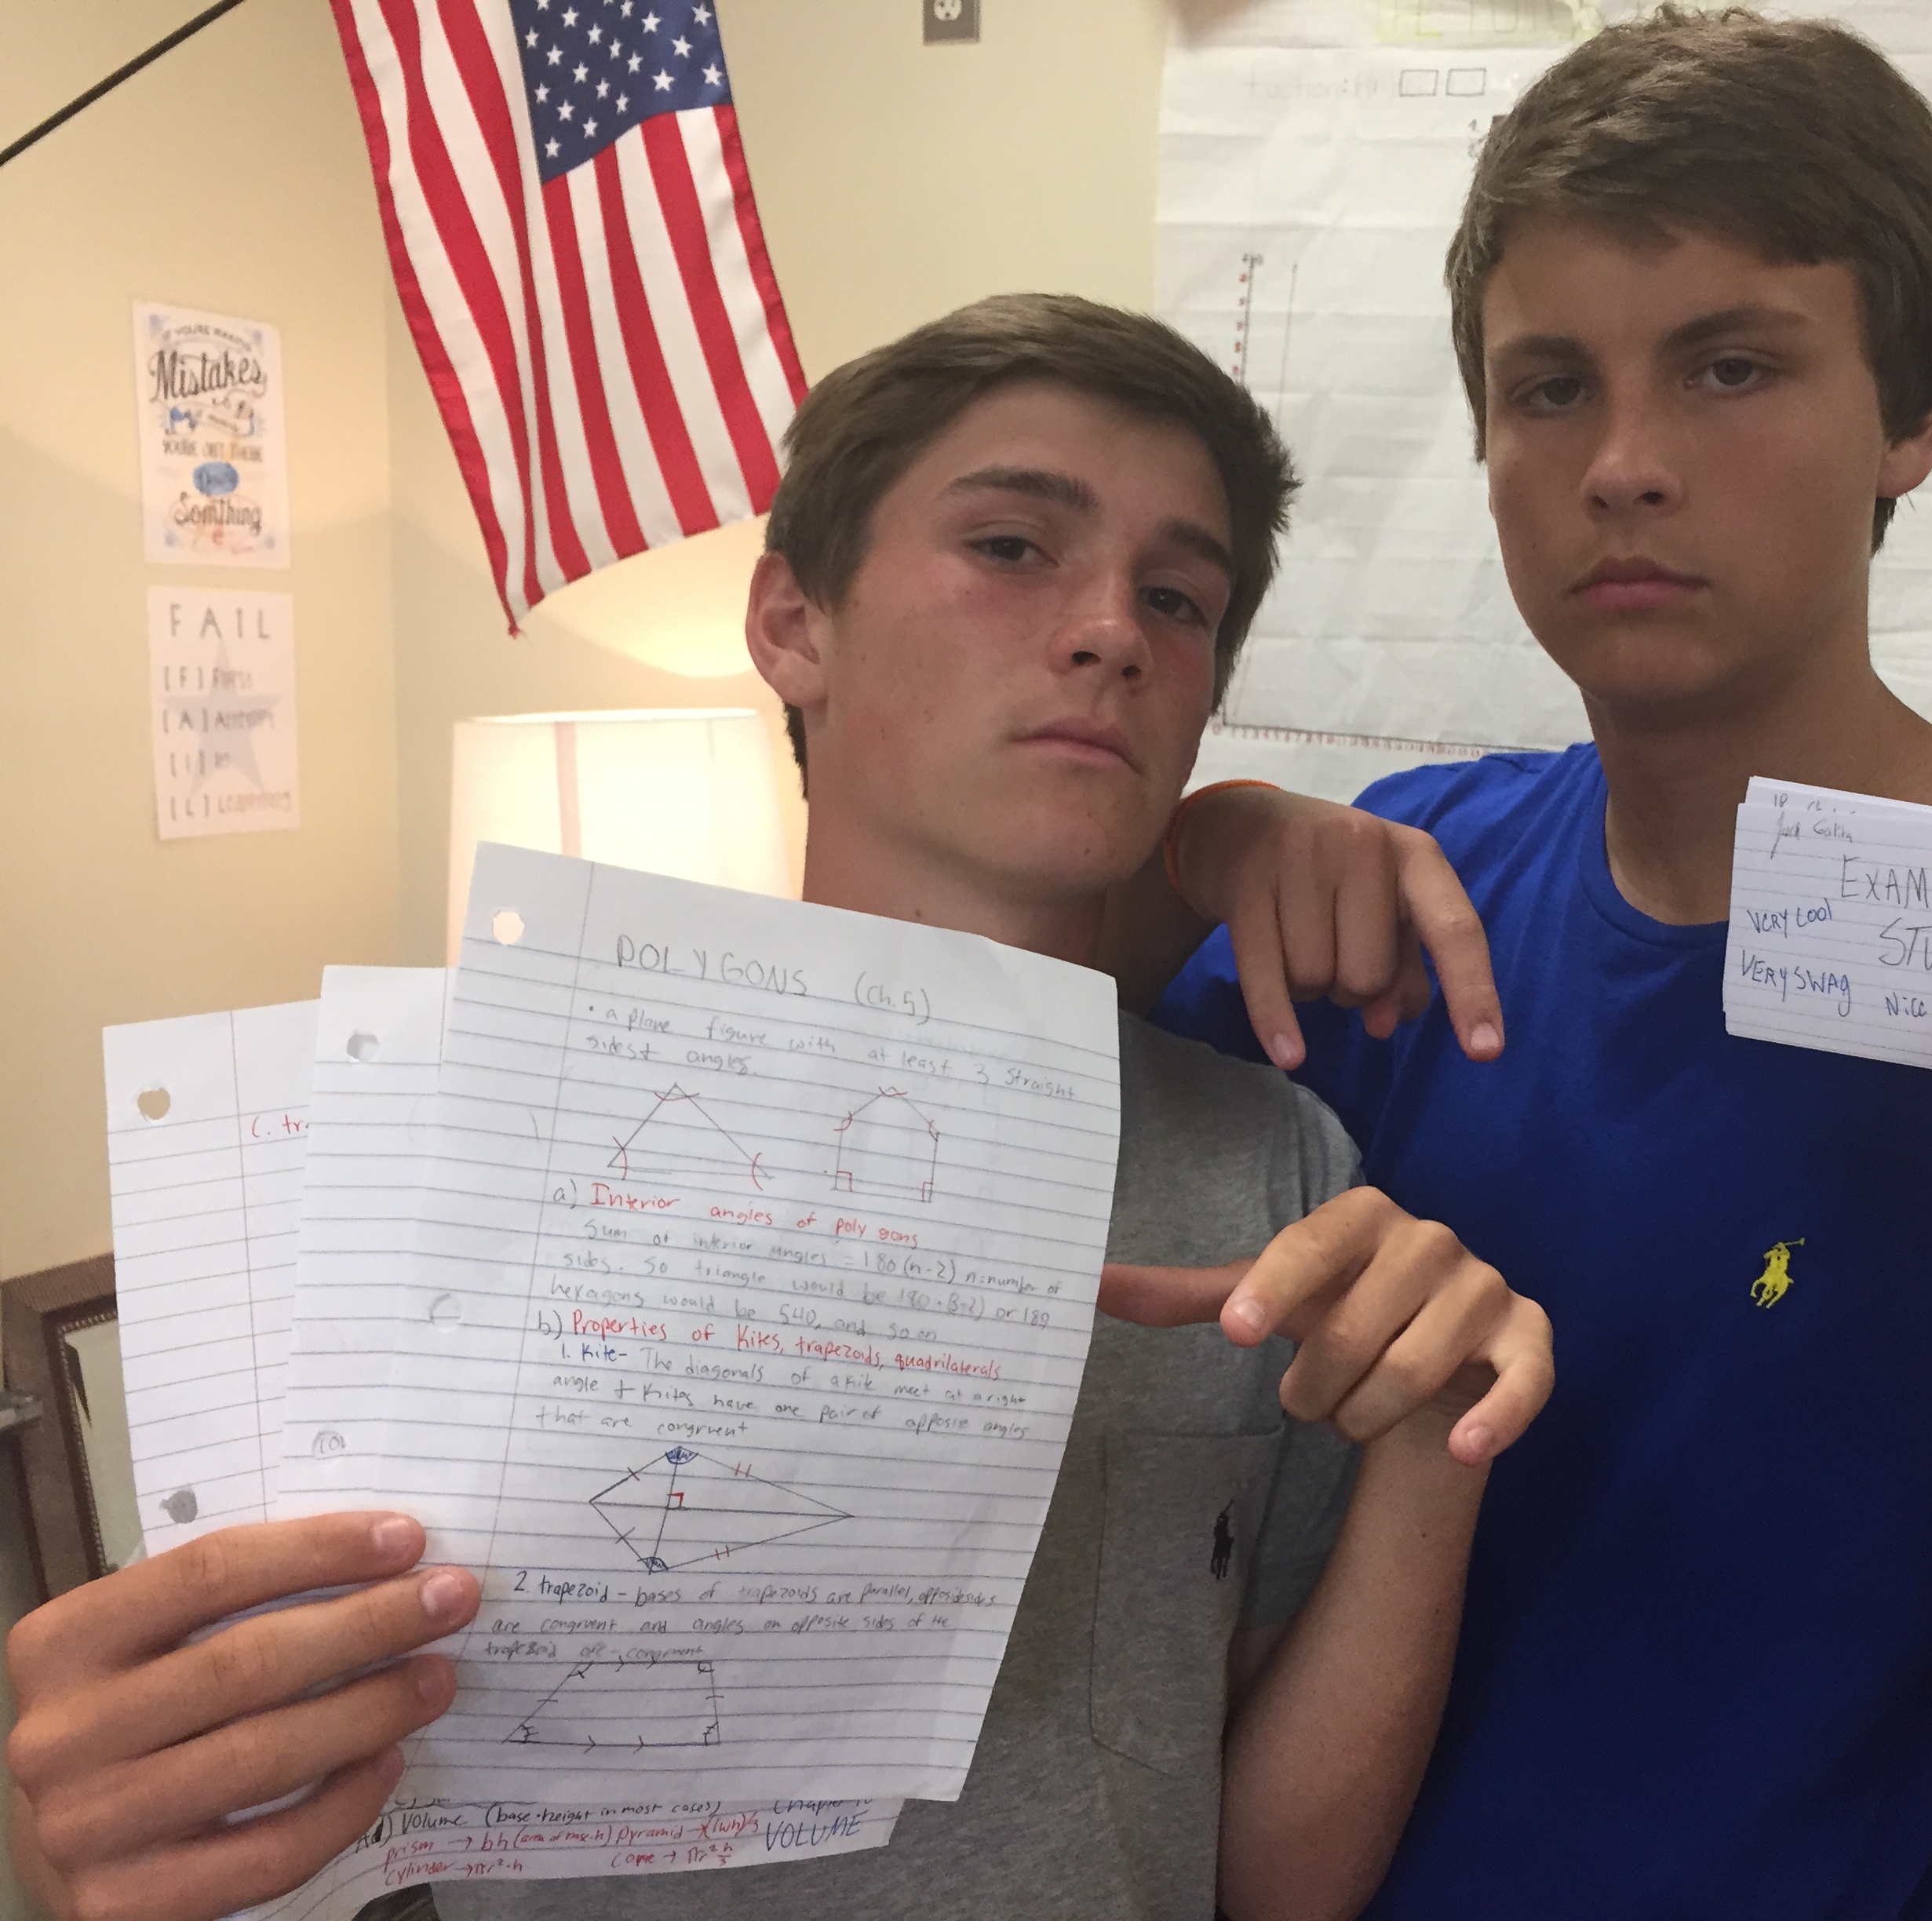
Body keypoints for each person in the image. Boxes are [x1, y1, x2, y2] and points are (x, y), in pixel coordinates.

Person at [6, 293, 1552, 1921]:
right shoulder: (431, 1131)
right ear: (793, 624)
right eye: (1012, 547)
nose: (1112, 630)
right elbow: (211, 1787)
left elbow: (1269, 1877)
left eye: (1177, 598)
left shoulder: (1271, 1174)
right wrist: (103, 1829)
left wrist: (1436, 1447)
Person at [1144, 11, 1932, 1917]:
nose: (1625, 466)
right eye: (1549, 388)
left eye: (1732, 366)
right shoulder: (1383, 914)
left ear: (1910, 417)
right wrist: (1197, 842)